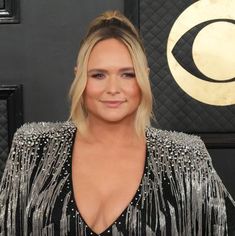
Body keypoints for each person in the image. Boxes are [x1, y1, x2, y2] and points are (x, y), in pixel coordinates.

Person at [0, 10, 234, 236]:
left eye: (127, 74)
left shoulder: (186, 156)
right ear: (79, 77)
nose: (113, 89)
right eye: (98, 75)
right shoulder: (33, 147)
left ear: (144, 78)